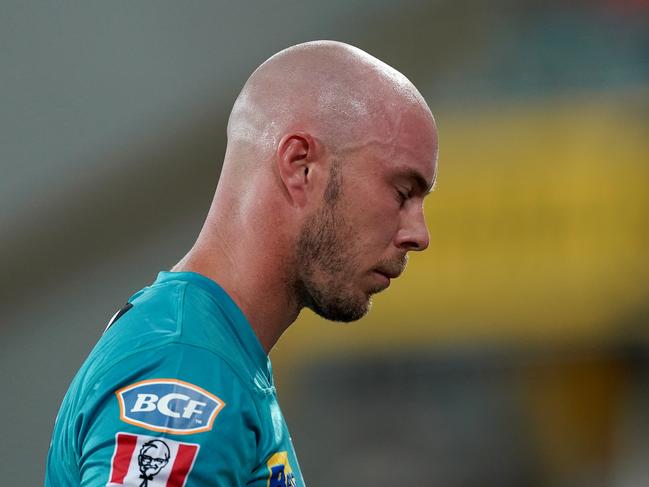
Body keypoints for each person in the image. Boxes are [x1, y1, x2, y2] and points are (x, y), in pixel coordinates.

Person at [45, 40, 438, 486]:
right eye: (403, 192)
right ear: (300, 166)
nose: (418, 235)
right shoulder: (185, 371)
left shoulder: (214, 354)